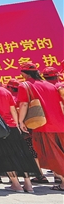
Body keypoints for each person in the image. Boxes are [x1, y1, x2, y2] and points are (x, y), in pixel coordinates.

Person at [17, 62, 64, 191]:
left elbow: (24, 104)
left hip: (44, 125)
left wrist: (21, 122)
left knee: (54, 156)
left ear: (24, 74)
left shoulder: (25, 85)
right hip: (60, 123)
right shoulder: (51, 85)